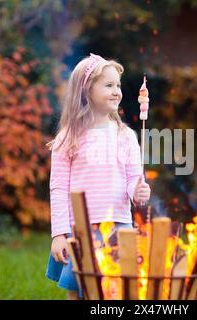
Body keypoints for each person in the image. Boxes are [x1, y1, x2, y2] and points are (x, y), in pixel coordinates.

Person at [45, 53, 151, 300]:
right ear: (86, 91)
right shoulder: (67, 138)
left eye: (118, 86)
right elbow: (59, 189)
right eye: (108, 85)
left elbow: (133, 182)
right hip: (79, 230)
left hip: (117, 226)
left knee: (115, 293)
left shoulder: (125, 136)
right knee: (78, 292)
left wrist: (139, 192)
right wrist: (59, 234)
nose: (117, 91)